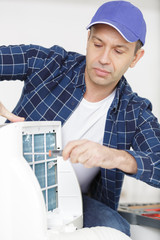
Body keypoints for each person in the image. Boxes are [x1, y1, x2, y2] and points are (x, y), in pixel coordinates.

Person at [0, 1, 160, 237]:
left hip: (75, 202)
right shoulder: (49, 64)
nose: (104, 58)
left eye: (118, 50)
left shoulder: (134, 110)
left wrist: (115, 156)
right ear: (88, 39)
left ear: (135, 58)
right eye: (98, 44)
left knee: (115, 230)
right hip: (8, 184)